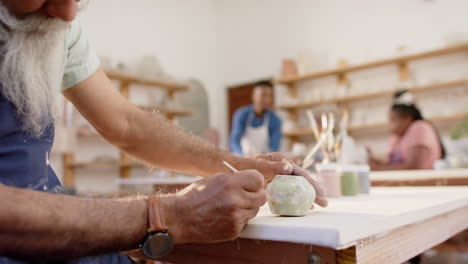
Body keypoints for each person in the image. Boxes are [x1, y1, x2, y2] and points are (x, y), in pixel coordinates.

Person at [0, 1, 328, 263]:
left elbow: (127, 125)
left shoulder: (56, 22)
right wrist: (167, 215)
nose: (67, 11)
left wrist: (236, 164)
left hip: (61, 239)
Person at [369, 90, 446, 170]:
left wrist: (377, 167)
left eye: (393, 121)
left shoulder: (420, 127)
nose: (390, 127)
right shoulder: (398, 136)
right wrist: (372, 161)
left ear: (407, 119)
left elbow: (412, 167)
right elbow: (389, 163)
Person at [230, 81, 282, 156]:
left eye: (270, 96)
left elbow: (274, 147)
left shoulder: (275, 120)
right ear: (253, 96)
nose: (267, 99)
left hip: (265, 161)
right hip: (244, 158)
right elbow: (234, 141)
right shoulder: (241, 114)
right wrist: (242, 156)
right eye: (263, 95)